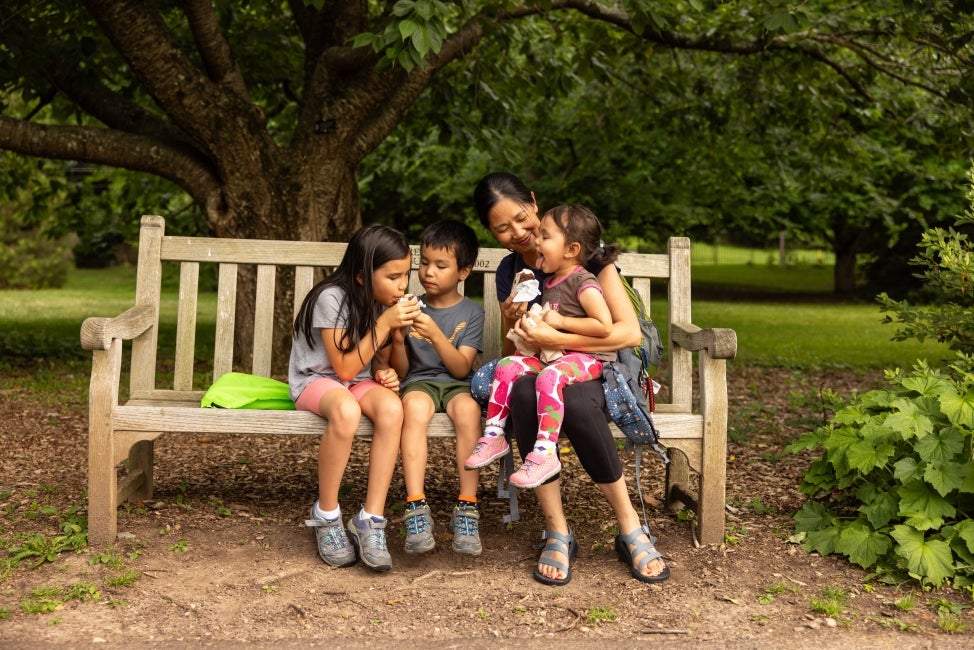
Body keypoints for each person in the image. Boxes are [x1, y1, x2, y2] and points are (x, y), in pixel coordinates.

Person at [470, 172, 670, 586]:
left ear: (534, 202)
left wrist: (554, 334)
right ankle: (557, 529)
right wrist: (516, 324)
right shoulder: (510, 273)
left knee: (577, 400)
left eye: (523, 219)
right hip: (546, 369)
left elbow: (626, 333)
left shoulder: (584, 258)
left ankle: (629, 524)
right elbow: (516, 356)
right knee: (524, 391)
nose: (519, 234)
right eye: (502, 228)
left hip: (600, 368)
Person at [289, 223, 421, 572]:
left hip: (356, 380)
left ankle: (370, 519)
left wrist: (387, 364)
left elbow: (372, 363)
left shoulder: (380, 303)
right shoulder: (329, 299)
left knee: (393, 408)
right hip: (316, 381)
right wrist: (384, 324)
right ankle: (327, 513)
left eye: (406, 274)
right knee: (346, 412)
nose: (402, 285)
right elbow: (344, 369)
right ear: (363, 275)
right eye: (393, 276)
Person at [465, 205, 617, 490]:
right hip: (556, 357)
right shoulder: (549, 280)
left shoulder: (584, 282)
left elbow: (604, 325)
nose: (536, 242)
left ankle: (545, 453)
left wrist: (560, 321)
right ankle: (494, 434)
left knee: (549, 377)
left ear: (570, 249)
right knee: (508, 366)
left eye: (544, 238)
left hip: (587, 358)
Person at [386, 220, 486, 556]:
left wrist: (435, 335)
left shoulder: (472, 312)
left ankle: (467, 506)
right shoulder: (409, 306)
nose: (429, 272)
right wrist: (399, 340)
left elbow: (461, 367)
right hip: (419, 383)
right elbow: (402, 371)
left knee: (470, 411)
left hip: (457, 384)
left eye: (441, 266)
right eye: (424, 263)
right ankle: (415, 505)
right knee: (412, 409)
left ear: (463, 271)